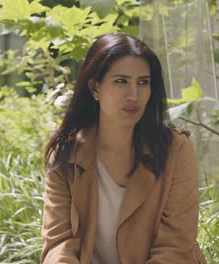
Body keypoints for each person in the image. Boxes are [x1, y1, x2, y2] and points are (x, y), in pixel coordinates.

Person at [41, 32, 206, 264]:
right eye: (121, 81)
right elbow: (58, 243)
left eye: (143, 82)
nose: (133, 95)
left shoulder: (175, 151)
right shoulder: (67, 154)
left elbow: (175, 247)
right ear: (95, 88)